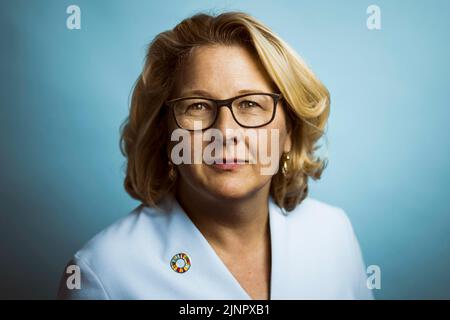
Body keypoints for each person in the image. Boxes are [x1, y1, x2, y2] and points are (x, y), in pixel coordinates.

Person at [57, 11, 373, 300]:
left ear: (289, 133)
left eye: (250, 104)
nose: (225, 132)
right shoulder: (103, 273)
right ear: (165, 132)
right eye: (197, 106)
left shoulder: (334, 233)